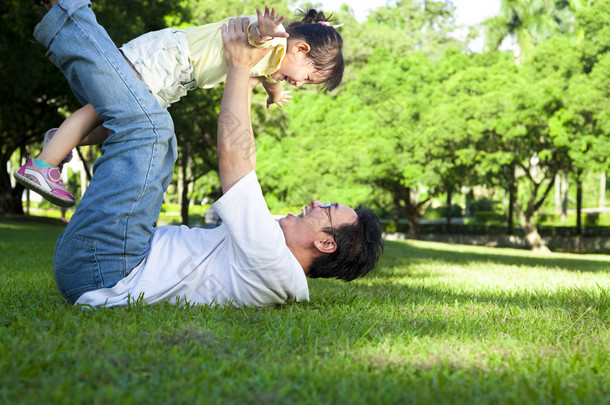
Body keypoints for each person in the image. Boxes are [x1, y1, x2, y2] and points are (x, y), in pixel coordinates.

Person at [33, 0, 383, 308]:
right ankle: (62, 135)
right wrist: (245, 77)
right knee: (146, 126)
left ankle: (65, 11)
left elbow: (236, 160)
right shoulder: (273, 261)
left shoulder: (273, 261)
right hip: (108, 259)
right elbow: (246, 156)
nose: (315, 202)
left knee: (153, 131)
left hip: (107, 268)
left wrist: (239, 66)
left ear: (325, 242)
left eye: (327, 210)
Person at [14, 4, 345, 208]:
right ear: (300, 49)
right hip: (168, 59)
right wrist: (264, 31)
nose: (300, 85)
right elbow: (254, 36)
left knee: (119, 123)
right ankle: (43, 166)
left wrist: (274, 94)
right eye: (308, 79)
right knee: (104, 108)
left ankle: (61, 139)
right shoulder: (273, 40)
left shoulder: (274, 62)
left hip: (176, 79)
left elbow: (270, 73)